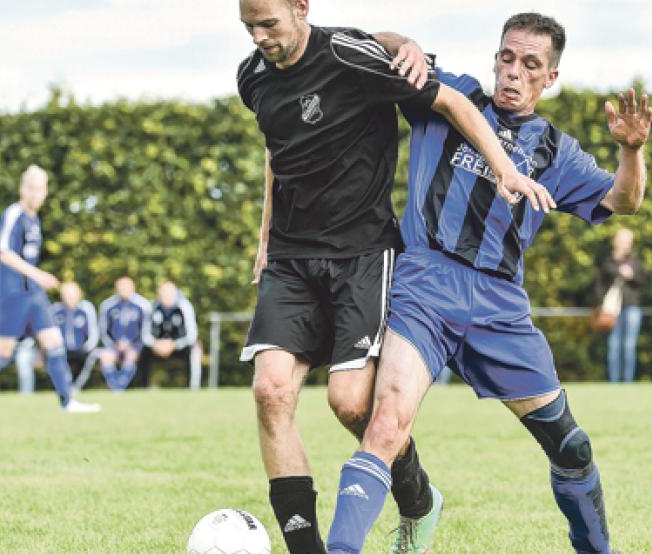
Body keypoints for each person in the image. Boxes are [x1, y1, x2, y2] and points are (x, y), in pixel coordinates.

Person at [326, 12, 651, 554]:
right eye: (506, 58)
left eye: (530, 65)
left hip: (500, 305)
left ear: (550, 78)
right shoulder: (451, 93)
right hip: (424, 284)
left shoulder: (556, 151)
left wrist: (632, 151)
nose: (513, 73)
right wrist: (402, 42)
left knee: (571, 447)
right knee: (384, 426)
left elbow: (624, 200)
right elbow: (361, 45)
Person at [236, 1, 551, 551]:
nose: (260, 37)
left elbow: (450, 99)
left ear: (300, 8)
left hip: (361, 253)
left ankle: (418, 496)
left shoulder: (349, 57)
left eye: (269, 24)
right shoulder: (253, 77)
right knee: (271, 390)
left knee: (351, 403)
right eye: (249, 27)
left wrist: (505, 168)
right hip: (291, 258)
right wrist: (265, 236)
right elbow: (276, 148)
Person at [0, 165, 100, 416]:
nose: (36, 193)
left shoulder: (35, 219)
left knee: (54, 342)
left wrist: (36, 280)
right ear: (22, 189)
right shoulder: (13, 214)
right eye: (32, 187)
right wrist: (37, 274)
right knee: (2, 352)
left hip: (34, 295)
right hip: (15, 296)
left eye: (41, 188)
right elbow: (3, 252)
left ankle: (68, 401)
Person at [595, 228, 648, 383]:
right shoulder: (606, 261)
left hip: (631, 307)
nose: (626, 244)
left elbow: (644, 280)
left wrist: (632, 275)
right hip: (611, 310)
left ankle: (628, 381)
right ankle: (614, 381)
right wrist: (600, 305)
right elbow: (598, 285)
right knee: (614, 346)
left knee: (629, 346)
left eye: (628, 240)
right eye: (623, 240)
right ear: (615, 241)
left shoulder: (635, 262)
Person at [140, 281, 201, 390]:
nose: (166, 297)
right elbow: (145, 334)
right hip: (157, 347)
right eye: (163, 294)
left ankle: (193, 388)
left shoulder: (184, 307)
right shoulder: (152, 306)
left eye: (169, 294)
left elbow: (192, 335)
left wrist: (174, 344)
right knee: (141, 351)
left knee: (195, 349)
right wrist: (155, 344)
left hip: (179, 346)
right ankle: (144, 387)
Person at [98, 276, 151, 391]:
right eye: (121, 287)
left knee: (131, 355)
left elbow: (146, 331)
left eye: (126, 287)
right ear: (116, 289)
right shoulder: (107, 305)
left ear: (133, 287)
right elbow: (103, 331)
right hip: (113, 345)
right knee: (105, 357)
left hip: (136, 345)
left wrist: (132, 344)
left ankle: (119, 387)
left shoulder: (143, 305)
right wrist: (115, 344)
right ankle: (116, 387)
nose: (123, 290)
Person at [50, 281, 100, 380]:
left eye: (72, 296)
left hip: (82, 350)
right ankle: (65, 387)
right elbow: (50, 334)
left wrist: (86, 348)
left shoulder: (86, 308)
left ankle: (75, 388)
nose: (69, 299)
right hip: (61, 350)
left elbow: (94, 332)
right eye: (66, 295)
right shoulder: (55, 310)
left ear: (79, 295)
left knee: (90, 359)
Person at [0, 313, 39, 394]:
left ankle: (26, 396)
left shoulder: (28, 310)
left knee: (23, 363)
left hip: (24, 347)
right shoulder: (1, 313)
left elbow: (34, 332)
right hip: (4, 347)